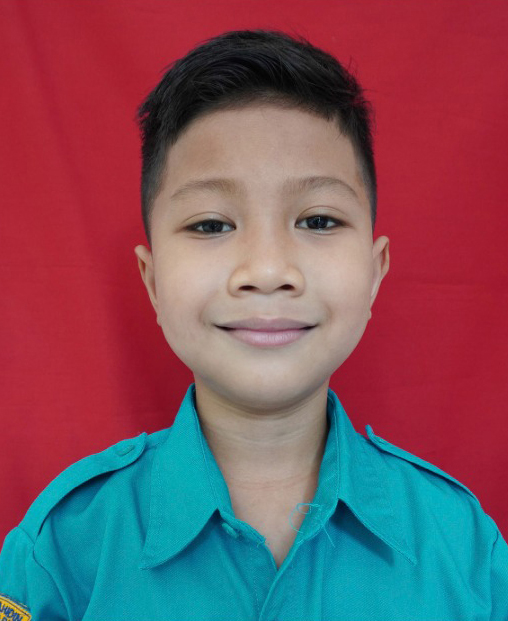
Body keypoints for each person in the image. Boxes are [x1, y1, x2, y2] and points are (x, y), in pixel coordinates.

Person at [0, 28, 506, 621]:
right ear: (153, 281)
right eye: (211, 225)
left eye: (318, 220)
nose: (267, 271)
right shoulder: (62, 550)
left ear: (374, 274)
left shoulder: (464, 546)